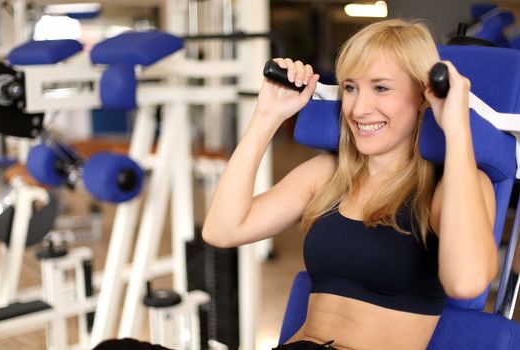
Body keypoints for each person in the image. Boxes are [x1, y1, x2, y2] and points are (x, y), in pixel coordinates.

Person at [202, 19, 498, 350]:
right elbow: (222, 230)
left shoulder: (450, 188)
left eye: (381, 88)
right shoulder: (329, 175)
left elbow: (466, 282)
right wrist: (267, 117)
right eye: (351, 88)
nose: (358, 108)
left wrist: (456, 129)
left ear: (424, 96)